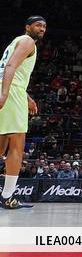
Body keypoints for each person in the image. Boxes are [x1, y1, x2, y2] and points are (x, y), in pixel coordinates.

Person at [0, 16, 45, 209]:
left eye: (44, 26)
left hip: (12, 89)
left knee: (1, 146)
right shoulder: (27, 41)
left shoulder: (15, 41)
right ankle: (7, 197)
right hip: (11, 92)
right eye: (38, 25)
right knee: (17, 145)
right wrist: (5, 94)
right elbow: (10, 67)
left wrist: (27, 98)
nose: (42, 28)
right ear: (28, 27)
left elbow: (7, 70)